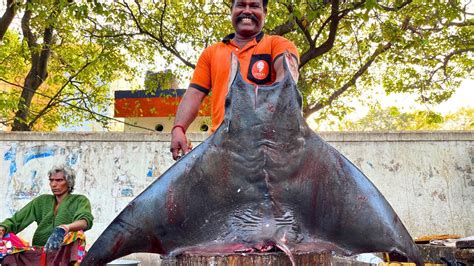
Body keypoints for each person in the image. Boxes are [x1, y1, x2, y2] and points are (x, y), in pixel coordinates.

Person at [170, 0, 300, 160]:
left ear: (264, 12)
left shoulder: (278, 44)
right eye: (241, 5)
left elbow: (286, 76)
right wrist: (178, 128)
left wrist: (284, 82)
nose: (247, 11)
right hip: (220, 150)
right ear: (231, 10)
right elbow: (194, 94)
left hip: (266, 152)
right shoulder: (211, 53)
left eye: (254, 6)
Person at [0, 165, 94, 253]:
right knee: (5, 237)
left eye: (59, 180)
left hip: (65, 250)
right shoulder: (41, 201)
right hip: (39, 250)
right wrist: (3, 228)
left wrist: (64, 228)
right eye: (51, 180)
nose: (53, 184)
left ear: (69, 182)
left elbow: (85, 221)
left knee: (78, 234)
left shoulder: (79, 200)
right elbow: (16, 220)